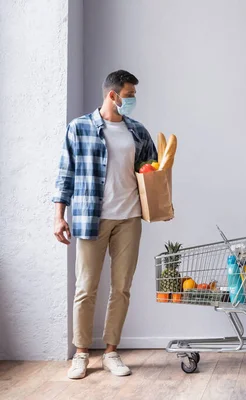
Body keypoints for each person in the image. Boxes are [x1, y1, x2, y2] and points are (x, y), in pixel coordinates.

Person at [53, 70, 157, 379]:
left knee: (122, 287)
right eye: (129, 95)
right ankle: (82, 353)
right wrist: (59, 215)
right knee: (86, 287)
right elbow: (64, 175)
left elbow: (153, 171)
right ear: (112, 95)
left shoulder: (137, 131)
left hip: (129, 217)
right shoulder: (80, 128)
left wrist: (161, 203)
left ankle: (111, 351)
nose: (133, 101)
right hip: (90, 217)